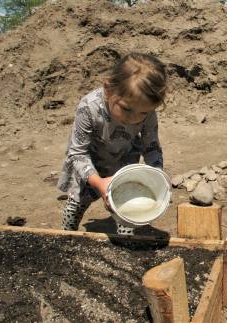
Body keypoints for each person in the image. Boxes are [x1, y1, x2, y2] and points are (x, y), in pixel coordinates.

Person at [57, 52, 167, 235]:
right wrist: (99, 183)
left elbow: (151, 147)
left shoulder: (147, 113)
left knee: (126, 209)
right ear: (108, 90)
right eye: (126, 109)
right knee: (77, 203)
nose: (132, 119)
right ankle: (67, 237)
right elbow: (77, 153)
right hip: (91, 164)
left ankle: (125, 241)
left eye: (142, 114)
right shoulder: (89, 107)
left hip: (124, 163)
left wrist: (159, 175)